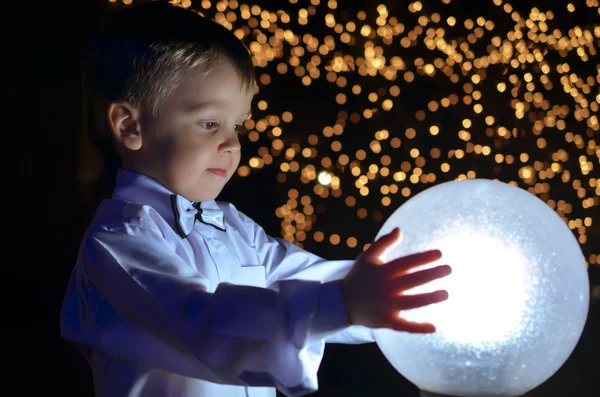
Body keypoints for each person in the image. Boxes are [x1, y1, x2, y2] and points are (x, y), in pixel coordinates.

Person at [60, 2, 451, 396]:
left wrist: (405, 290)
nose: (232, 144)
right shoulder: (116, 243)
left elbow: (304, 276)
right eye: (209, 123)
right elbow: (201, 322)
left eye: (237, 125)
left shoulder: (235, 227)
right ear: (130, 126)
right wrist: (340, 303)